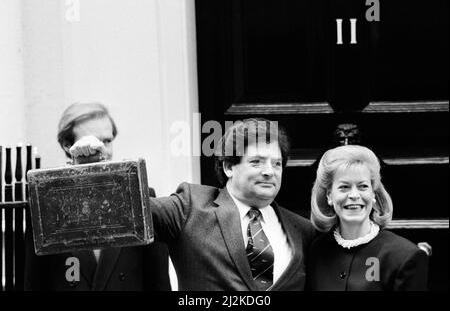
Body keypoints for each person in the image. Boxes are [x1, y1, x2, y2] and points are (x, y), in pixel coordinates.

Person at [68, 117, 316, 290]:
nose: (269, 171)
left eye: (277, 163)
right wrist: (94, 171)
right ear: (229, 166)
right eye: (257, 162)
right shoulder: (190, 207)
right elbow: (128, 210)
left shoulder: (302, 231)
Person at [24, 102, 171, 291]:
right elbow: (35, 283)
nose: (100, 148)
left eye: (107, 141)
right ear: (68, 146)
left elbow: (158, 283)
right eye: (90, 141)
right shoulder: (46, 203)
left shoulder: (137, 195)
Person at [307, 144, 428, 291]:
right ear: (329, 196)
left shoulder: (404, 256)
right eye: (344, 187)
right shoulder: (316, 251)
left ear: (373, 194)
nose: (354, 195)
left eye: (362, 186)